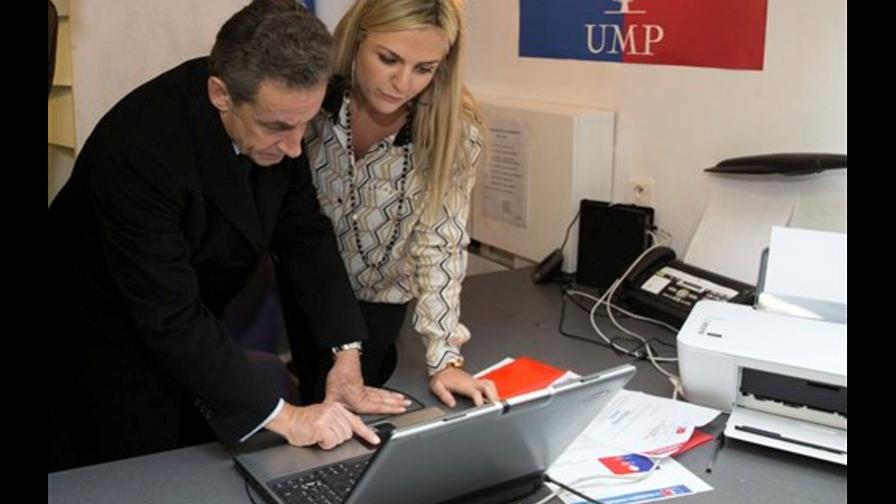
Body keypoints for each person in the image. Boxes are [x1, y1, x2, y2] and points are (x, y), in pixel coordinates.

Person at [46, 0, 408, 472]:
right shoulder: (140, 151)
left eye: (307, 122)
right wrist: (287, 416)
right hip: (98, 336)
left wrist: (345, 353)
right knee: (135, 474)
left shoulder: (281, 118)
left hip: (193, 330)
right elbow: (169, 315)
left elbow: (304, 234)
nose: (297, 146)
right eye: (278, 127)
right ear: (221, 94)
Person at [292, 0, 499, 409]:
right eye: (388, 59)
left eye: (424, 68)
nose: (402, 83)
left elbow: (440, 243)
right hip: (307, 286)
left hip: (380, 302)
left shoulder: (455, 131)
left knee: (344, 417)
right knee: (300, 401)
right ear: (356, 41)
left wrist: (444, 358)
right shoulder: (313, 104)